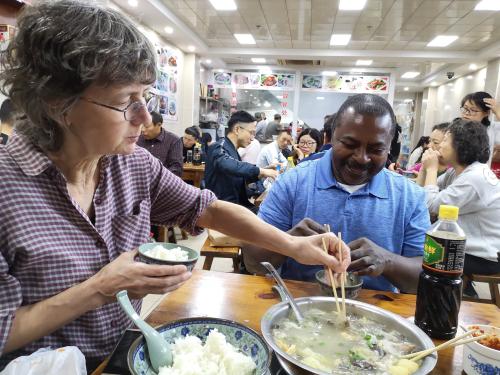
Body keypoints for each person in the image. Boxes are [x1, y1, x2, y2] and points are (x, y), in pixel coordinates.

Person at [0, 2, 349, 371]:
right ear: (58, 103)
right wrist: (100, 288)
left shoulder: (129, 162)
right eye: (125, 102)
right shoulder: (7, 187)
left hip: (127, 352)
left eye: (144, 97)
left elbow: (207, 208)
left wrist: (294, 245)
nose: (145, 118)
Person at [243, 94, 430, 293]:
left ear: (389, 147)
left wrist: (388, 261)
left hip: (377, 313)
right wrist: (287, 242)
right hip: (299, 309)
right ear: (331, 137)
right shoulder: (293, 182)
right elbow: (252, 262)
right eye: (349, 145)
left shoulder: (410, 197)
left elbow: (426, 279)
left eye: (376, 149)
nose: (361, 158)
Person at [419, 119, 500, 295]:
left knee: (421, 255)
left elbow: (432, 206)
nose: (439, 146)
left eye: (445, 140)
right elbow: (420, 196)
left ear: (460, 145)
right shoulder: (457, 172)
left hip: (484, 256)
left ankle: (455, 297)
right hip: (465, 247)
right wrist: (424, 169)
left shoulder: (475, 178)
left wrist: (431, 169)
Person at [205, 111, 279, 211]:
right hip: (221, 211)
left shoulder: (233, 150)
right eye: (251, 133)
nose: (253, 138)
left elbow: (239, 178)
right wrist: (261, 171)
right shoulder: (219, 147)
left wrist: (262, 171)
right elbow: (226, 164)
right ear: (237, 129)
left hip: (236, 207)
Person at [137, 111, 183, 177]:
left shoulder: (173, 140)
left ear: (159, 125)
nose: (143, 130)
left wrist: (158, 180)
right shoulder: (137, 139)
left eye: (146, 126)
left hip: (163, 183)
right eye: (141, 126)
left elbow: (176, 169)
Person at [459, 91, 500, 165]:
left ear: (486, 113)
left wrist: (498, 112)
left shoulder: (492, 128)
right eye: (465, 109)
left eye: (473, 110)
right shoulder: (456, 128)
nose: (467, 113)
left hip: (480, 173)